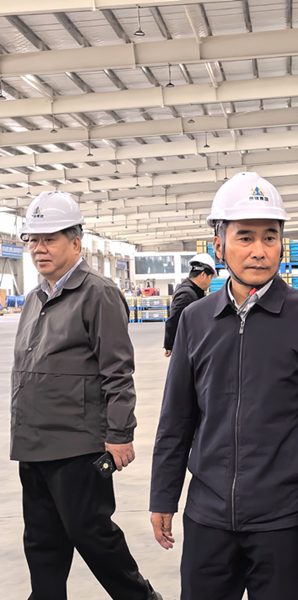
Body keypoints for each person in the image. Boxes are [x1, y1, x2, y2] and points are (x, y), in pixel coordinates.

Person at [149, 172, 298, 600]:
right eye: (245, 237)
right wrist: (163, 494)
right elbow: (177, 417)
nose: (259, 250)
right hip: (207, 516)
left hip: (282, 520)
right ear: (218, 245)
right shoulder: (195, 320)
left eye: (270, 237)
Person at [11, 191, 162, 600]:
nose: (39, 248)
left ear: (76, 243)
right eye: (33, 240)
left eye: (50, 239)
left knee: (92, 535)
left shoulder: (98, 293)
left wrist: (119, 433)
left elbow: (118, 370)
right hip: (33, 444)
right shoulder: (35, 298)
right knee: (42, 543)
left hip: (77, 445)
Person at [163, 253, 216, 357]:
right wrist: (169, 345)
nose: (210, 283)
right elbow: (174, 319)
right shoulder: (187, 294)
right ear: (203, 275)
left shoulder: (193, 291)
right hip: (186, 348)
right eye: (210, 278)